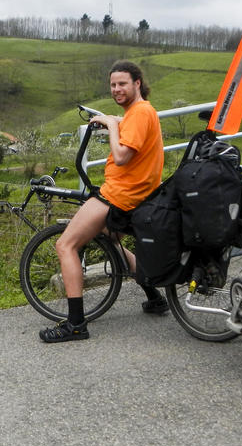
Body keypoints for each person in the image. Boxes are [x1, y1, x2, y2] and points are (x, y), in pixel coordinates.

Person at [39, 60, 166, 343]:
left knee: (66, 244)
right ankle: (154, 296)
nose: (116, 89)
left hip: (120, 195)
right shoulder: (138, 113)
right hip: (136, 193)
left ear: (137, 83)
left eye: (122, 83)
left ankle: (75, 324)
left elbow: (121, 156)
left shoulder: (141, 112)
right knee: (109, 237)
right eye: (112, 85)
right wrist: (117, 121)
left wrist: (110, 123)